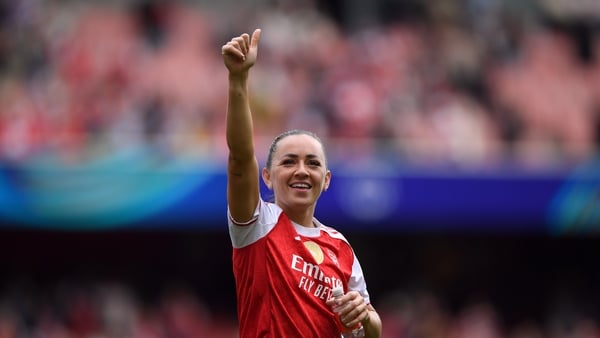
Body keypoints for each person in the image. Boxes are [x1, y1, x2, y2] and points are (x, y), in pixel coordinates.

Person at [222, 28, 383, 338]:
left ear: (326, 180)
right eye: (288, 161)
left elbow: (371, 328)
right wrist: (238, 79)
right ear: (266, 176)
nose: (301, 171)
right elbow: (240, 159)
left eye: (312, 163)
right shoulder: (256, 225)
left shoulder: (340, 247)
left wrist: (363, 317)